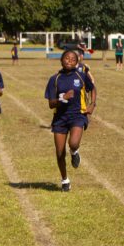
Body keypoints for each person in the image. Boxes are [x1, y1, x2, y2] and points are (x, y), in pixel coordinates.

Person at [45, 50, 96, 192]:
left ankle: (74, 152)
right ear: (61, 60)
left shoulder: (81, 75)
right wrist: (63, 99)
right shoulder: (54, 79)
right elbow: (51, 104)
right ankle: (65, 180)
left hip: (77, 115)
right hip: (60, 118)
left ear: (77, 62)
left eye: (73, 59)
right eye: (66, 58)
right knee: (60, 152)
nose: (69, 60)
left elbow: (93, 89)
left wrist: (92, 104)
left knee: (73, 143)